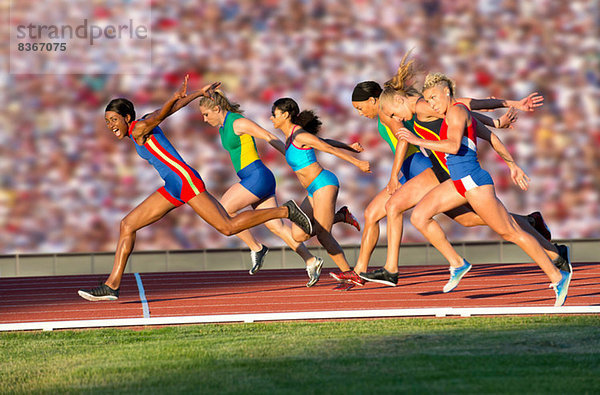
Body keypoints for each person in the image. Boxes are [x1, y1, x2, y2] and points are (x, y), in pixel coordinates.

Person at [78, 76, 313, 301]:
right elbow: (168, 110)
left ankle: (285, 211)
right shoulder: (142, 124)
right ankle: (112, 285)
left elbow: (162, 113)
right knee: (127, 224)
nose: (110, 126)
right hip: (173, 186)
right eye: (107, 121)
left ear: (127, 117)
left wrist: (175, 97)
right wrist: (197, 93)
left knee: (228, 227)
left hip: (186, 181)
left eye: (114, 120)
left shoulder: (139, 129)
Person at [358, 56, 570, 288]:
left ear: (389, 100)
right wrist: (496, 121)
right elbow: (461, 110)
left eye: (360, 108)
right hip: (438, 169)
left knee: (394, 206)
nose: (393, 118)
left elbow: (460, 107)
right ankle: (542, 237)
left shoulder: (413, 108)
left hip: (440, 169)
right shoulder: (411, 107)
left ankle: (392, 269)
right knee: (471, 220)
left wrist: (508, 107)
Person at [197, 91, 325, 286]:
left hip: (257, 176)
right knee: (276, 227)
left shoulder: (237, 122)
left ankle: (257, 248)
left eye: (206, 114)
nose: (204, 119)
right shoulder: (223, 126)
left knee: (224, 211)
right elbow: (221, 101)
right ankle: (311, 260)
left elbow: (267, 135)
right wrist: (216, 92)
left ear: (216, 109)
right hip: (254, 178)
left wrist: (291, 157)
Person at [270, 98, 370, 286]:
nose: (271, 117)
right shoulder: (291, 137)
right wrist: (349, 146)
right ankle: (341, 216)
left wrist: (358, 162)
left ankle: (349, 273)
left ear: (285, 115)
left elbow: (327, 148)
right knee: (299, 235)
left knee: (323, 234)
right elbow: (324, 141)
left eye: (274, 114)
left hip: (323, 183)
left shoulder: (299, 135)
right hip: (312, 190)